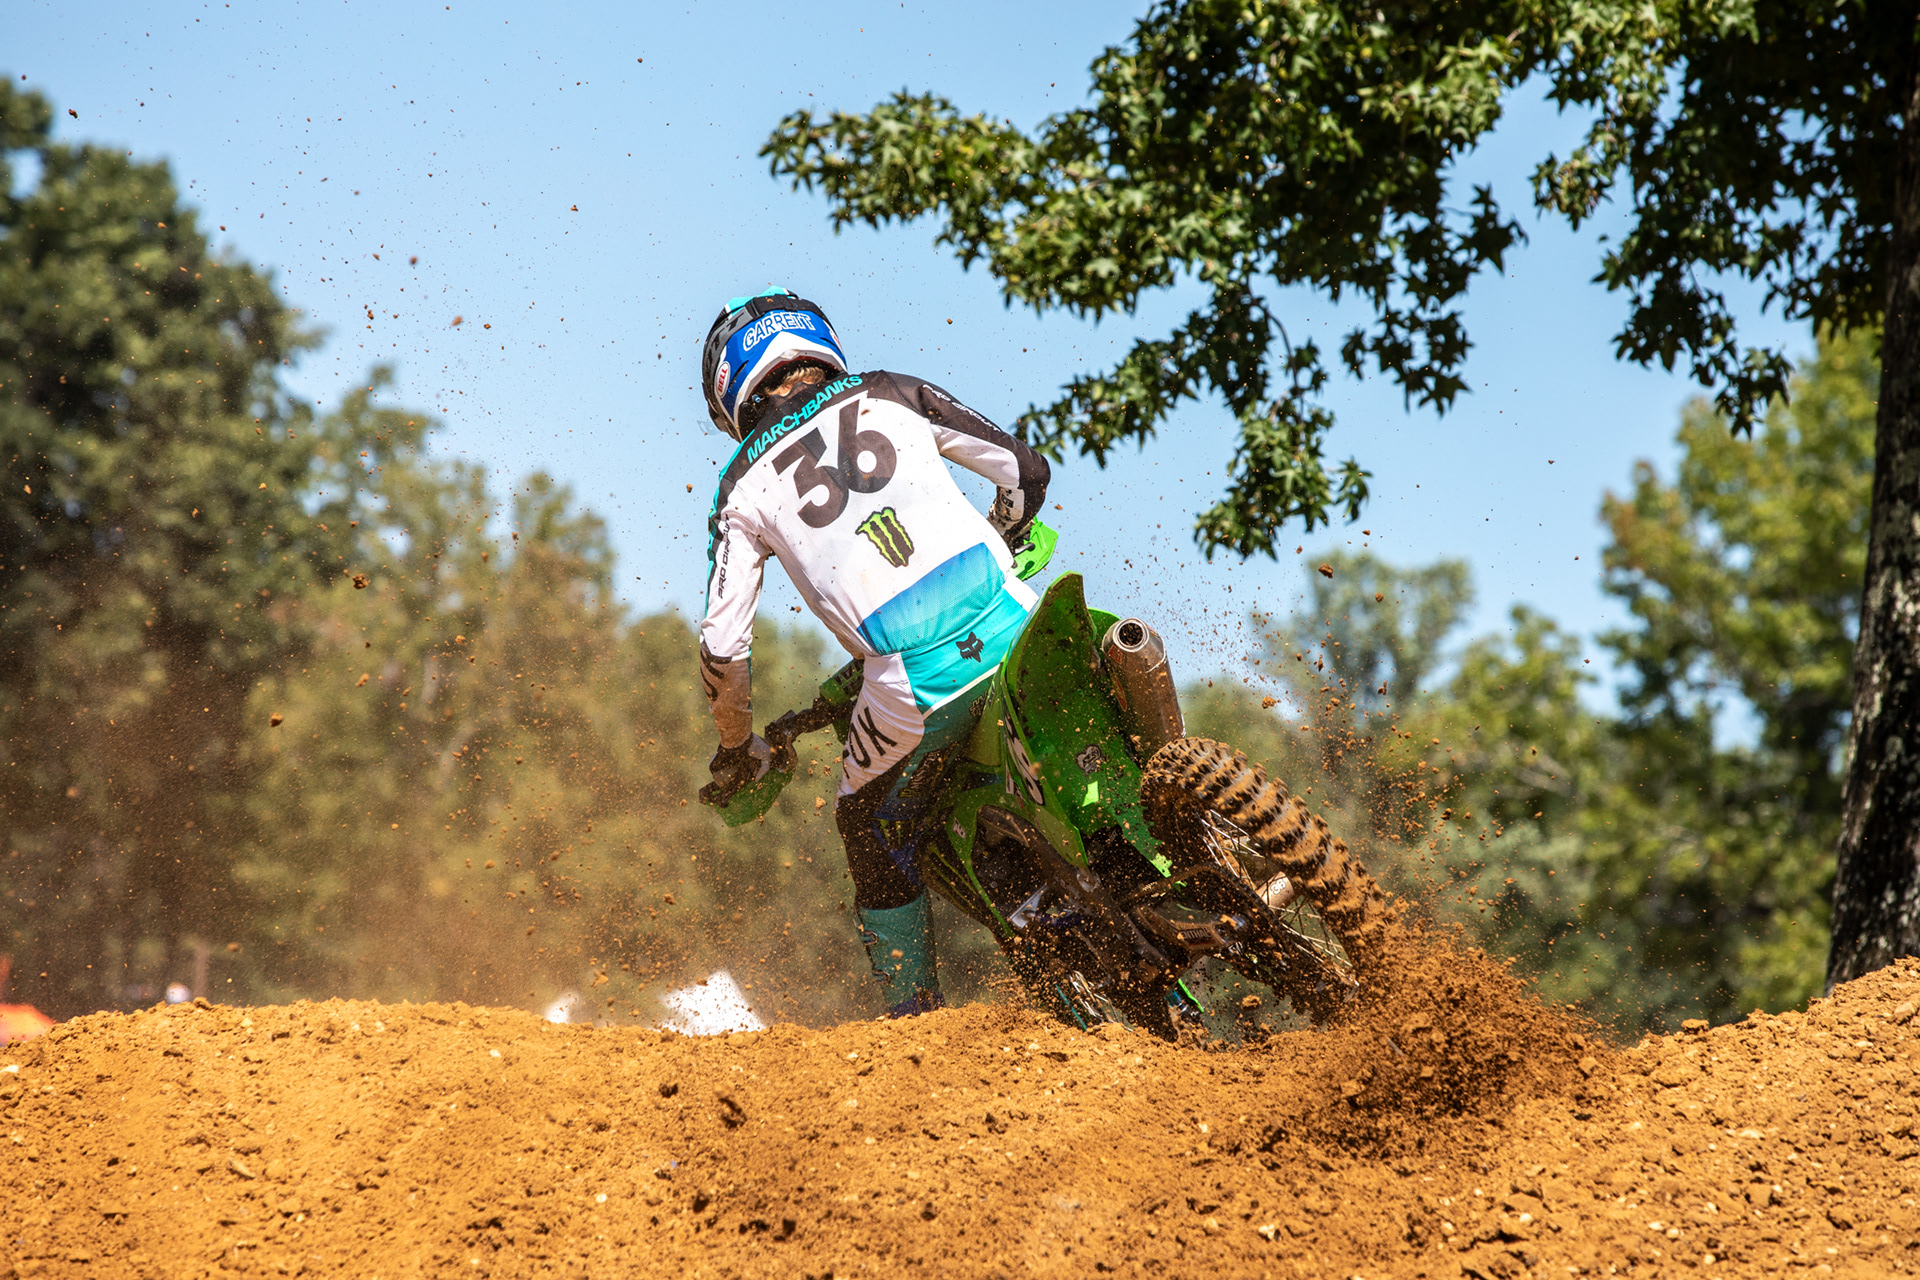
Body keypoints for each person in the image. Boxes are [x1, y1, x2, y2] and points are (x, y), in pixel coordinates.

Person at [696, 288, 1049, 1017]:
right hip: (1020, 619)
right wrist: (1005, 534)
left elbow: (723, 647)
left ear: (731, 390)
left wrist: (737, 747)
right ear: (818, 343)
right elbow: (1026, 472)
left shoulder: (740, 486)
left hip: (913, 682)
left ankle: (915, 1023)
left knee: (863, 823)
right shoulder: (893, 391)